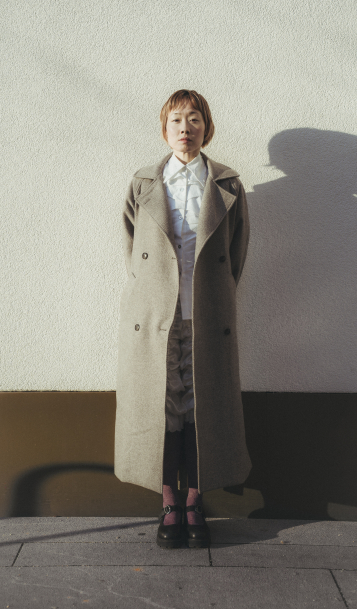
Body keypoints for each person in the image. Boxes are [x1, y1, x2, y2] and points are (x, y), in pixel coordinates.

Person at [114, 89, 251, 549]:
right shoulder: (143, 183)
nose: (185, 128)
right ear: (164, 128)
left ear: (206, 127)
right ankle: (169, 502)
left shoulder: (228, 184)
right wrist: (149, 294)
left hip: (206, 314)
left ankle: (194, 501)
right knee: (162, 406)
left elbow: (236, 254)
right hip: (154, 317)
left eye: (194, 119)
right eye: (176, 120)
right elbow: (131, 249)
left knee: (200, 405)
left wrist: (216, 297)